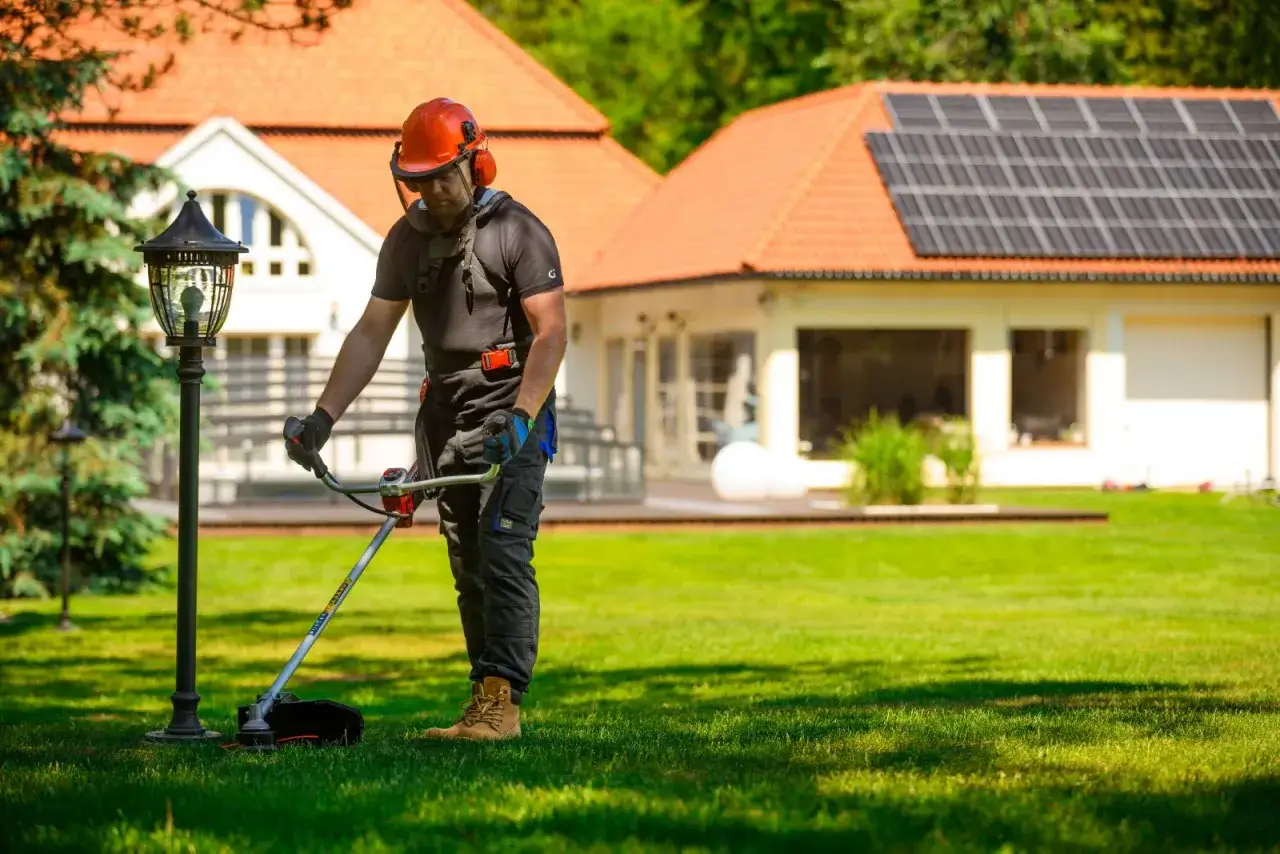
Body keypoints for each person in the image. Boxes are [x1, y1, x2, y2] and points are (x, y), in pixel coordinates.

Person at [283, 98, 567, 741]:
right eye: (418, 178)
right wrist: (323, 417)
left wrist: (522, 415)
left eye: (442, 175)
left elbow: (551, 333)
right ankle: (483, 698)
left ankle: (503, 706)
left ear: (475, 162)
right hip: (445, 410)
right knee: (467, 559)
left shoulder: (518, 231)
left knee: (502, 550)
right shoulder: (405, 240)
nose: (431, 190)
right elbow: (370, 332)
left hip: (511, 404)